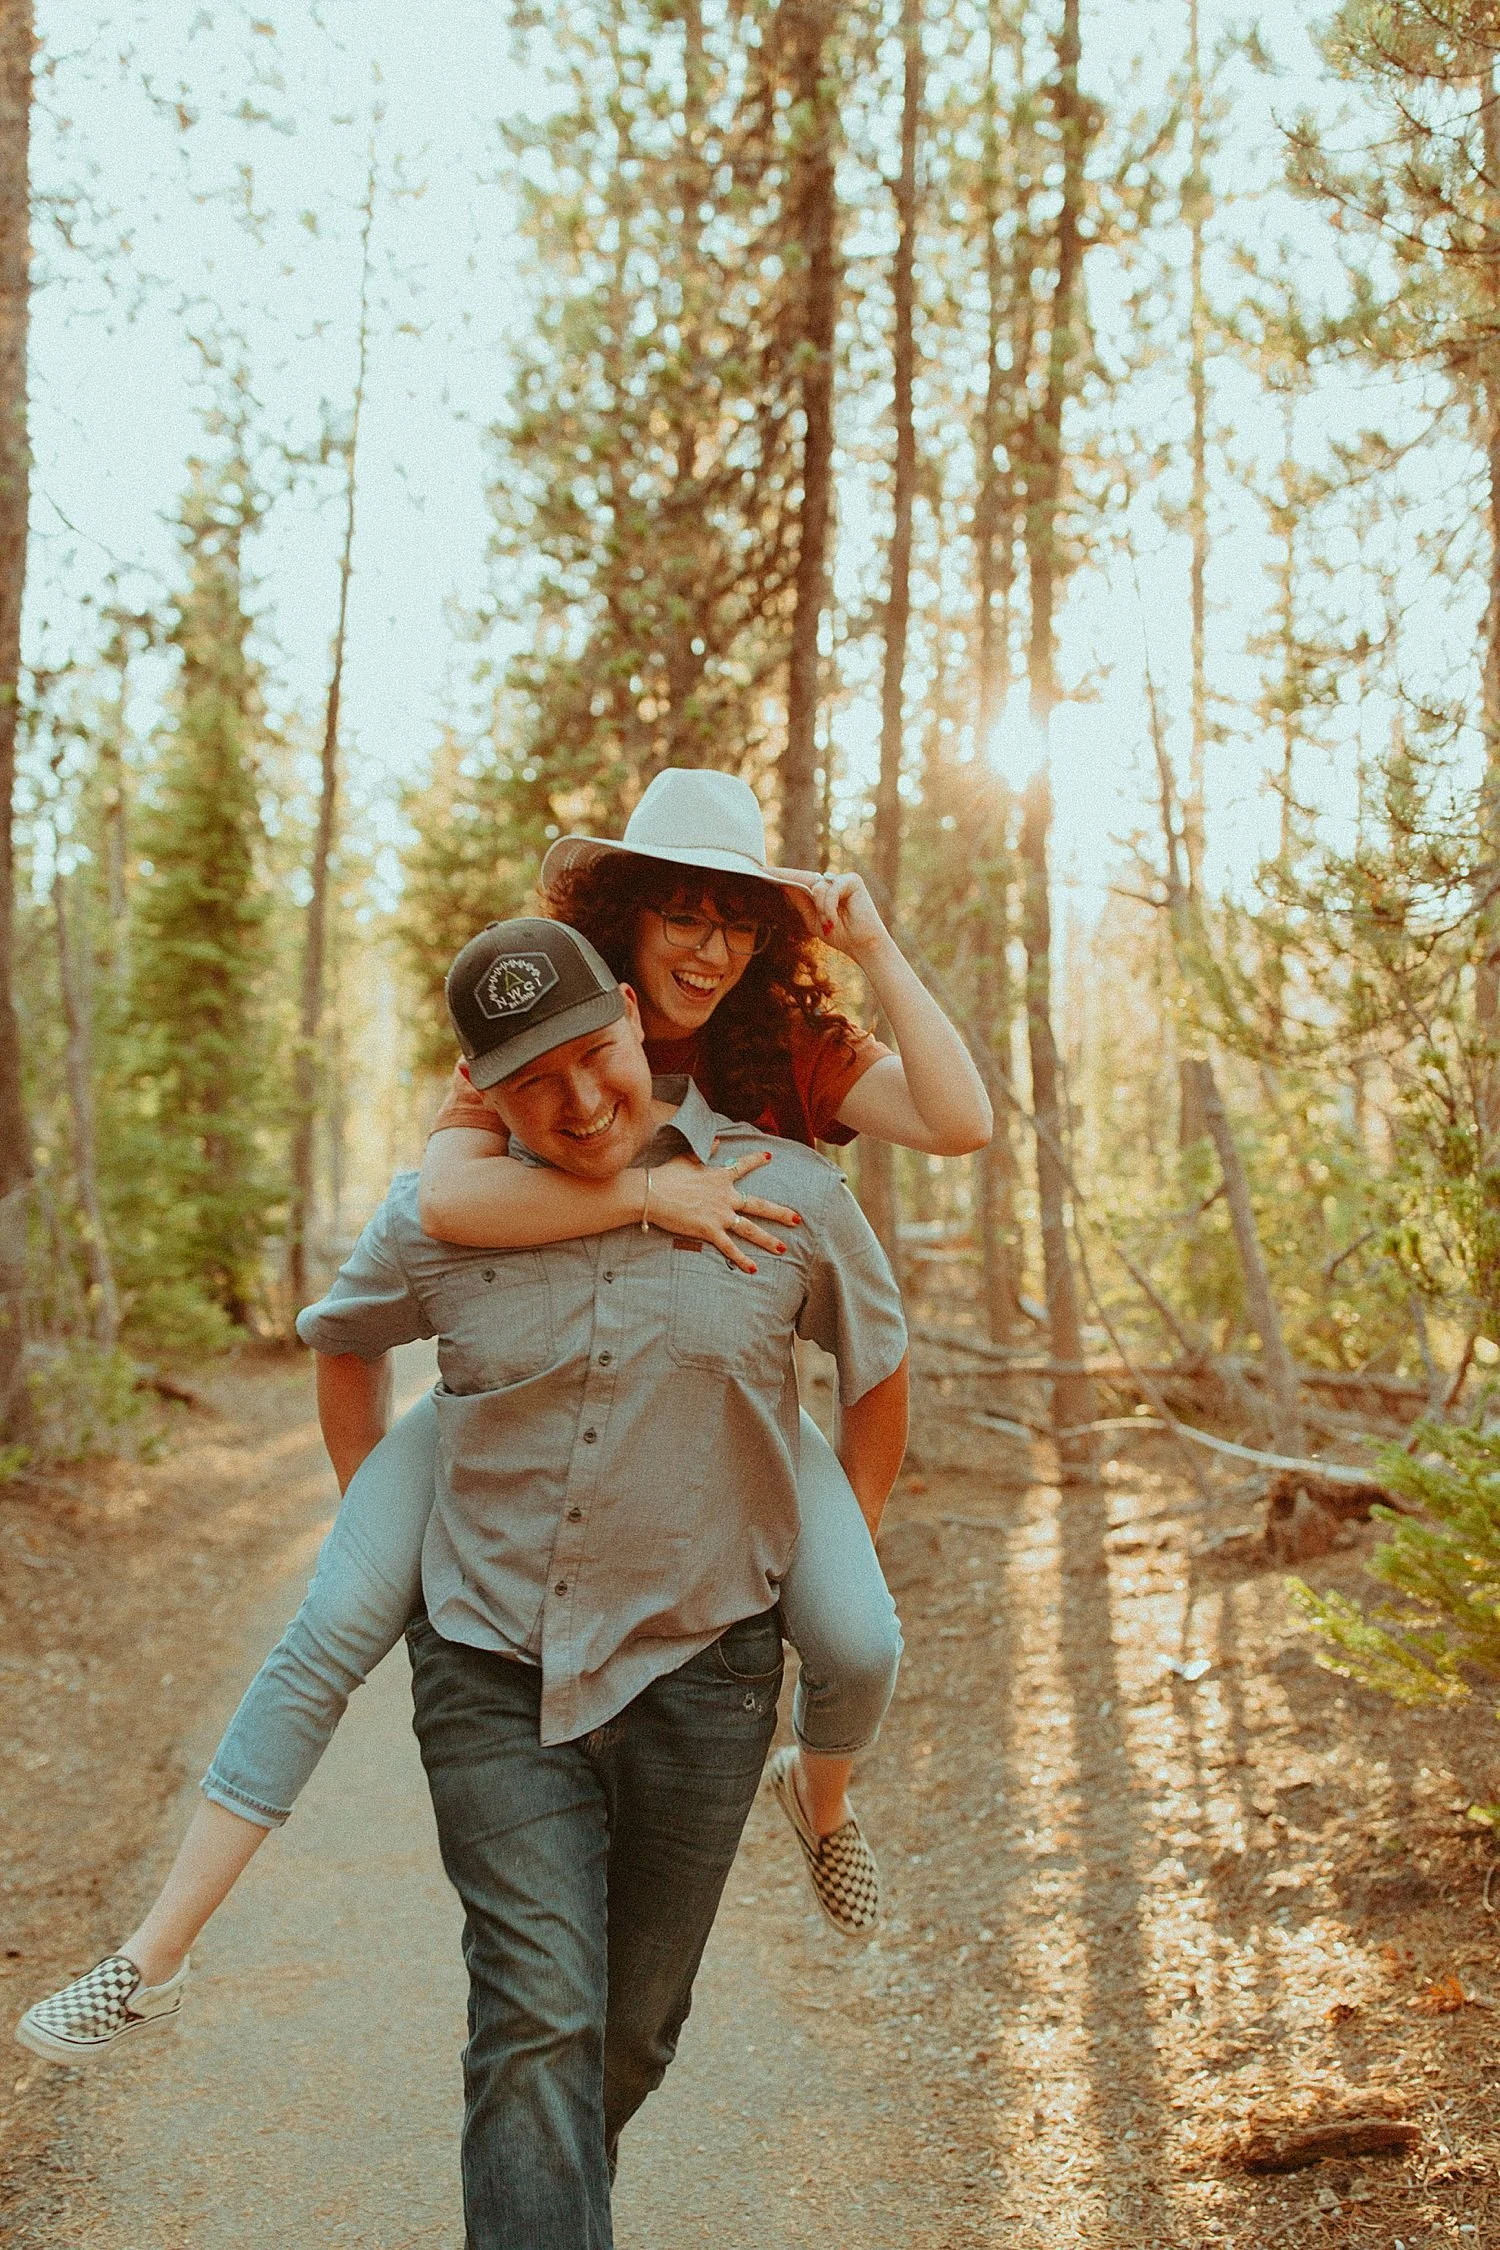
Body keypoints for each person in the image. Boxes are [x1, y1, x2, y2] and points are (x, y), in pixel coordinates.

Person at [16, 767, 988, 2066]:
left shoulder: (789, 1045)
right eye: (684, 914)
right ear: (632, 912)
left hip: (724, 1406)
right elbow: (448, 1206)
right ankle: (154, 1958)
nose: (709, 947)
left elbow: (960, 1120)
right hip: (515, 1394)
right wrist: (656, 1200)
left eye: (737, 920)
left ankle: (818, 1803)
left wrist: (866, 939)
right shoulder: (545, 1017)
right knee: (330, 1623)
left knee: (862, 1637)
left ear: (765, 933)